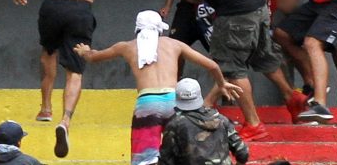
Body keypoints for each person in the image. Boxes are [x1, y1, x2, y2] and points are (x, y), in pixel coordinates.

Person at [7, 0, 141, 157]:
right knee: (75, 69)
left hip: (53, 5)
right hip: (80, 9)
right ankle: (65, 120)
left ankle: (45, 108)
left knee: (48, 53)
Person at [172, 0, 308, 139]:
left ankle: (253, 123)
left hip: (233, 12)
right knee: (263, 56)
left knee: (232, 68)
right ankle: (291, 97)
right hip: (258, 5)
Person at [74, 10, 242, 165]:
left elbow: (93, 57)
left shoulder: (126, 47)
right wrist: (221, 84)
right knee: (181, 152)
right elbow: (212, 66)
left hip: (147, 104)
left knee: (144, 158)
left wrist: (84, 52)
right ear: (159, 29)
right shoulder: (174, 44)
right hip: (174, 102)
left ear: (137, 29)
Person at [159, 78, 248, 165]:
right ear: (199, 96)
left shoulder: (175, 125)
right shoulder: (222, 120)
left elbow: (166, 159)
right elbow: (243, 152)